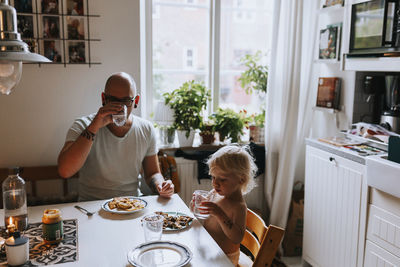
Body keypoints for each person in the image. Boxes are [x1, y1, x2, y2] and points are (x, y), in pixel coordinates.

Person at [57, 72, 174, 201]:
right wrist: (95, 126)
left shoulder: (146, 129)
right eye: (113, 100)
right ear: (103, 99)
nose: (119, 107)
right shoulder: (82, 125)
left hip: (131, 204)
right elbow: (65, 171)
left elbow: (153, 173)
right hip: (91, 206)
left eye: (125, 101)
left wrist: (161, 185)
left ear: (136, 101)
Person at [191, 145, 257, 266]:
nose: (215, 183)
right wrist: (197, 204)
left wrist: (219, 214)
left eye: (222, 179)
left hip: (225, 260)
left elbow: (237, 237)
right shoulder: (215, 193)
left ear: (241, 180)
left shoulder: (238, 206)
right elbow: (204, 216)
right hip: (210, 249)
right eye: (213, 177)